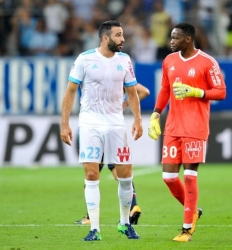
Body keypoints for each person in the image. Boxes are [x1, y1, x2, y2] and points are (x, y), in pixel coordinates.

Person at [60, 20, 143, 241]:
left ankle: (125, 224)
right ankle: (94, 229)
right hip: (90, 124)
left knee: (125, 177)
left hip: (116, 124)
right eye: (118, 35)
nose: (122, 39)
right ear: (105, 38)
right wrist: (65, 124)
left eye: (122, 34)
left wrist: (137, 120)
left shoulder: (125, 61)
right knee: (91, 174)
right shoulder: (85, 59)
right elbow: (70, 92)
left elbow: (133, 93)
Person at [148, 22, 226, 242]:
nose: (171, 41)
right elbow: (165, 88)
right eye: (171, 37)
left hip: (195, 127)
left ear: (188, 39)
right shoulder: (169, 61)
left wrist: (196, 91)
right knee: (169, 177)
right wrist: (155, 114)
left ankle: (186, 229)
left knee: (190, 176)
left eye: (175, 38)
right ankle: (194, 211)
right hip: (173, 127)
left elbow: (221, 92)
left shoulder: (207, 62)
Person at [75, 83, 150, 226]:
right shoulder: (119, 77)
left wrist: (126, 102)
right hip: (114, 129)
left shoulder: (99, 77)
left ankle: (90, 217)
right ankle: (133, 206)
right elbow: (145, 91)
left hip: (97, 129)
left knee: (91, 176)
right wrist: (126, 103)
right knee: (119, 173)